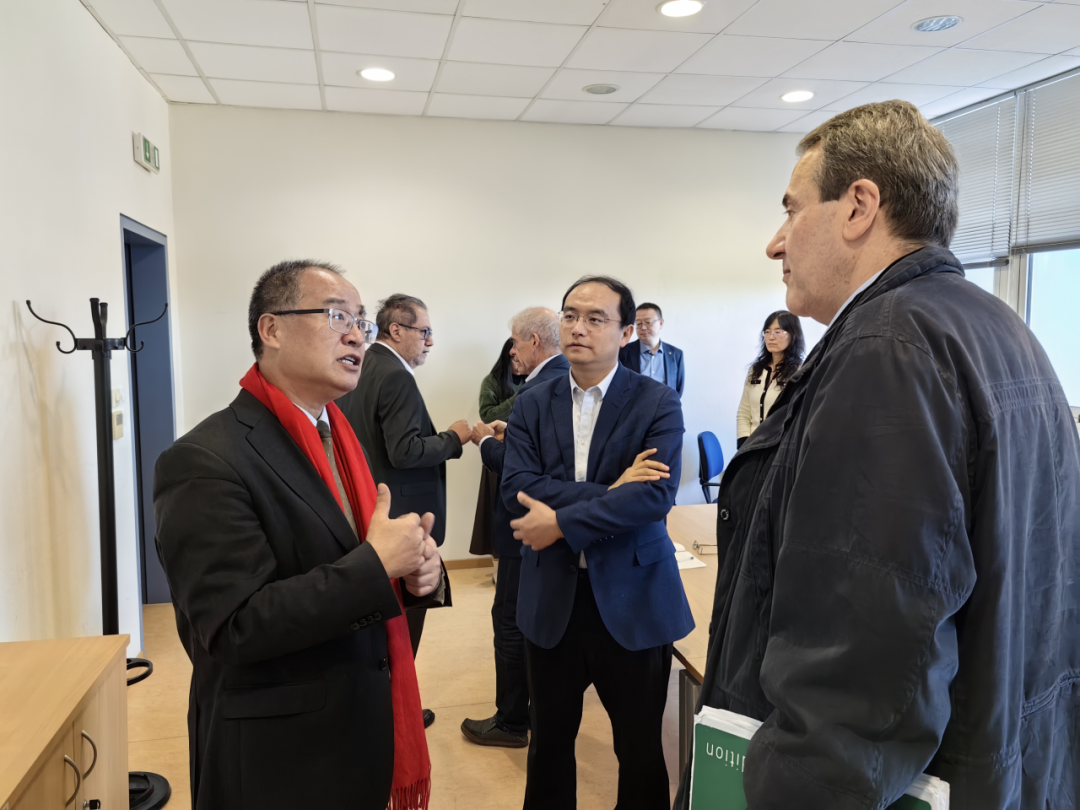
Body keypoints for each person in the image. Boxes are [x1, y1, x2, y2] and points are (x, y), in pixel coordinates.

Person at [675, 101, 1080, 809]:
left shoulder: (886, 350)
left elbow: (857, 676)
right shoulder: (999, 328)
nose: (775, 243)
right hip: (1009, 766)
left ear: (859, 206)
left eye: (792, 210)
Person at [153, 260, 448, 810]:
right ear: (271, 329)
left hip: (358, 725)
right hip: (280, 755)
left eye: (361, 321)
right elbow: (234, 628)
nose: (357, 335)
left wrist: (418, 573)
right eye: (337, 316)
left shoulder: (339, 437)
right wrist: (377, 566)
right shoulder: (204, 460)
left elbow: (356, 559)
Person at [503, 278, 693, 809]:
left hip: (634, 596)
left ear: (626, 332)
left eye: (594, 318)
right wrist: (611, 489)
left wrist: (561, 521)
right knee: (548, 746)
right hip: (553, 598)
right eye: (569, 315)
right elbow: (516, 488)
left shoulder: (656, 401)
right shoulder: (531, 402)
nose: (577, 328)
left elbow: (653, 497)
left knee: (639, 749)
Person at [336, 292, 471, 729]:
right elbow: (406, 451)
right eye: (424, 331)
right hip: (404, 516)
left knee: (379, 619)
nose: (430, 341)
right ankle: (398, 713)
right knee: (404, 620)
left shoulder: (363, 365)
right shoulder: (395, 375)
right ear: (396, 330)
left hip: (370, 507)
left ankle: (381, 707)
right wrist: (455, 437)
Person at [460, 307, 569, 749]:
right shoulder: (565, 381)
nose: (513, 352)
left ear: (534, 342)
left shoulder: (535, 391)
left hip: (524, 523)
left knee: (510, 620)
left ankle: (510, 721)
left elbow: (517, 469)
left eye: (516, 343)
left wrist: (485, 440)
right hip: (557, 525)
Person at [470, 338, 527, 558]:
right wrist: (520, 398)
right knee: (499, 514)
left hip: (525, 453)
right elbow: (487, 415)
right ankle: (498, 563)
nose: (517, 360)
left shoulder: (534, 378)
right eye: (513, 357)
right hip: (498, 451)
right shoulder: (492, 381)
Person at [735, 310, 804, 448]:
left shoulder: (800, 372)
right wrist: (744, 444)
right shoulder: (756, 370)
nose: (771, 337)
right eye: (767, 332)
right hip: (752, 447)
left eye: (778, 332)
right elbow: (744, 411)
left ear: (793, 335)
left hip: (781, 448)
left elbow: (800, 417)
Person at [617, 302, 685, 396]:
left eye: (648, 322)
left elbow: (678, 390)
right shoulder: (623, 351)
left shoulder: (675, 354)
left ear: (661, 323)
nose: (643, 328)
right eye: (638, 323)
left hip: (666, 404)